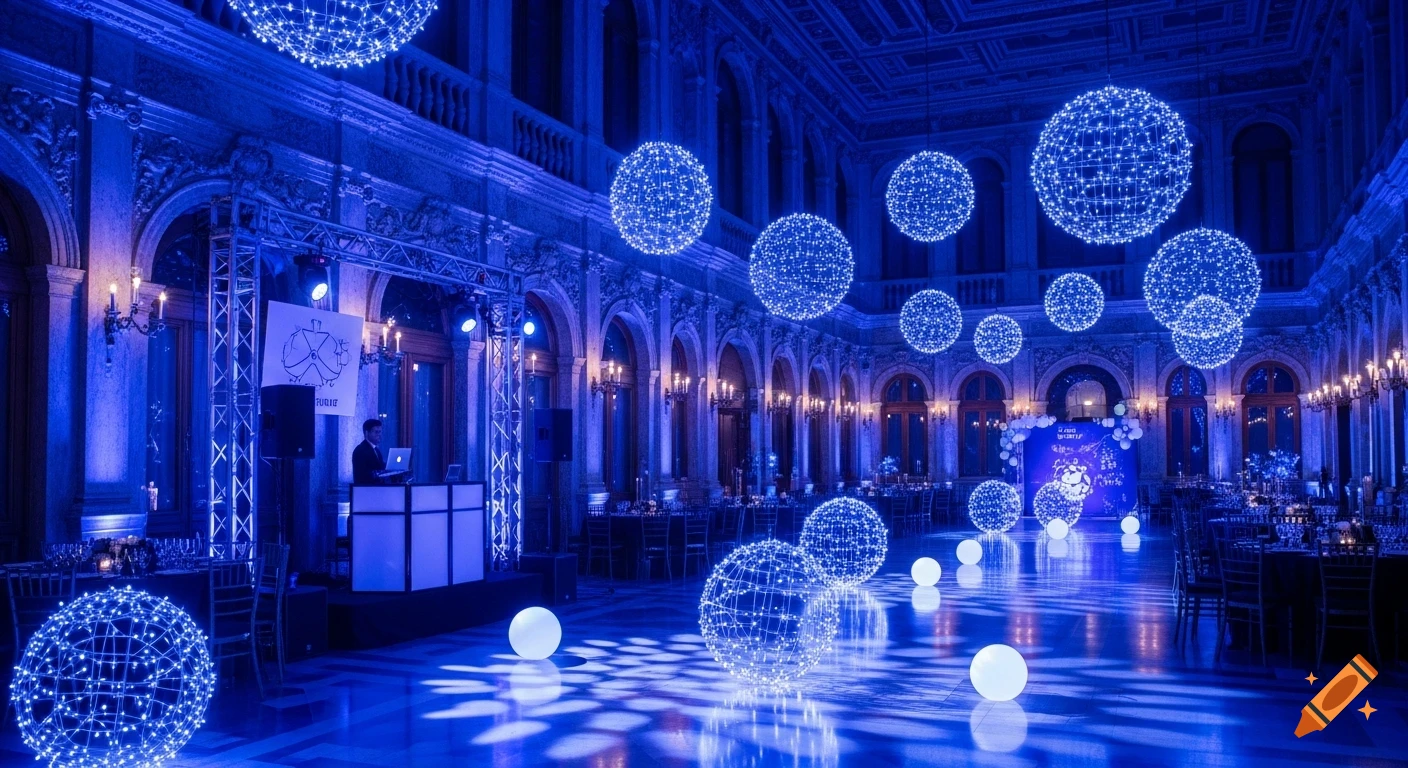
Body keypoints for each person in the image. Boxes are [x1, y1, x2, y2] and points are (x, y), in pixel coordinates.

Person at [352, 419, 386, 485]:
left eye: (380, 432)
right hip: (366, 490)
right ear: (367, 433)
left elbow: (380, 467)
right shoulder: (360, 450)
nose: (379, 435)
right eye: (376, 432)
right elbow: (361, 474)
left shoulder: (376, 450)